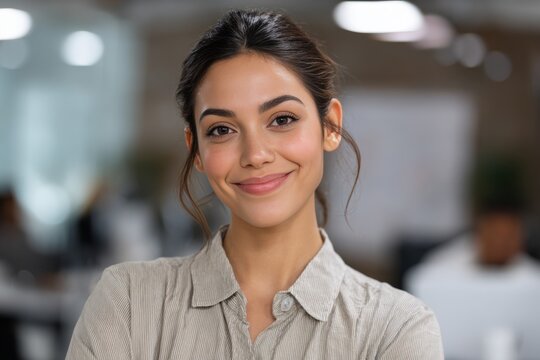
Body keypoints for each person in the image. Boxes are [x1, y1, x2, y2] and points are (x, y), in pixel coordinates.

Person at [66, 9, 443, 359]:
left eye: (281, 119)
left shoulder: (396, 328)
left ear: (330, 126)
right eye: (222, 129)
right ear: (196, 150)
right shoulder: (129, 302)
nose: (256, 154)